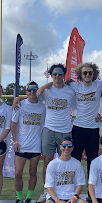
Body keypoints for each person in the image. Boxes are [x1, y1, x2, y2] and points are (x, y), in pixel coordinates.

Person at [64, 62, 102, 175]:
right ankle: (75, 191)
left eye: (90, 72)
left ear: (93, 74)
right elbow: (58, 85)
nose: (88, 75)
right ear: (81, 75)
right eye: (85, 73)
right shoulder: (75, 85)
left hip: (93, 128)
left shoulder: (99, 85)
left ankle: (92, 192)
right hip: (78, 128)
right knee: (75, 160)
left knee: (93, 161)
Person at [36, 64, 77, 192]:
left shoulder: (70, 91)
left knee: (64, 161)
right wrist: (17, 100)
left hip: (64, 130)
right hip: (49, 129)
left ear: (64, 75)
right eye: (54, 74)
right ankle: (47, 191)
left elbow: (79, 107)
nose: (57, 76)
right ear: (51, 75)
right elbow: (32, 98)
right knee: (47, 161)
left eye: (60, 74)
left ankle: (64, 191)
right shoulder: (46, 90)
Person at [10, 81, 45, 203]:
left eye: (35, 89)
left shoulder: (43, 107)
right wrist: (15, 141)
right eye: (29, 90)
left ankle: (29, 199)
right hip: (22, 145)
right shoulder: (20, 105)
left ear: (38, 91)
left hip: (36, 145)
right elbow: (13, 124)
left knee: (32, 172)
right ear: (26, 92)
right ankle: (19, 199)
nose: (32, 92)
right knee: (18, 173)